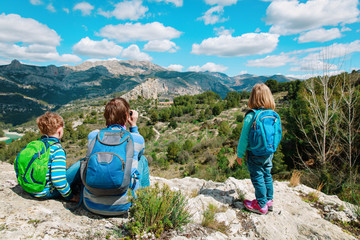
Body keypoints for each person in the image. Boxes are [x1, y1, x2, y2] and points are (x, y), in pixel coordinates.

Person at [82, 97, 146, 216]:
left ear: (106, 116)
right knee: (142, 159)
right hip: (123, 206)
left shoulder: (93, 136)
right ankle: (146, 200)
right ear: (127, 116)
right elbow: (140, 152)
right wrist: (134, 126)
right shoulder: (135, 138)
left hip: (90, 204)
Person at [236, 83, 277, 215]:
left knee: (257, 176)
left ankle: (261, 205)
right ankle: (269, 201)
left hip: (254, 153)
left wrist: (239, 154)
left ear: (252, 98)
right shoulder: (273, 115)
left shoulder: (251, 115)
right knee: (266, 174)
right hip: (269, 152)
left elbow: (244, 139)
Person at [32, 112, 80, 202]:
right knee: (81, 163)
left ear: (41, 131)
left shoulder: (37, 145)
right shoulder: (57, 150)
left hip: (31, 189)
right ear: (60, 131)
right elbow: (58, 180)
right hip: (46, 192)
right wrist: (70, 197)